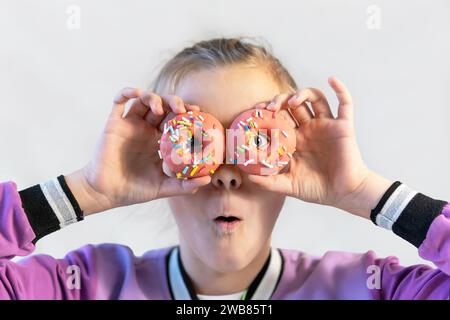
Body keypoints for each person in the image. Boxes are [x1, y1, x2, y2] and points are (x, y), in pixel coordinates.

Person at [0, 38, 449, 300]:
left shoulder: (366, 289)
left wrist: (364, 192)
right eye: (197, 145)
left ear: (295, 158)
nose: (227, 174)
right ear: (157, 157)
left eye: (257, 143)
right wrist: (85, 191)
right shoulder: (84, 287)